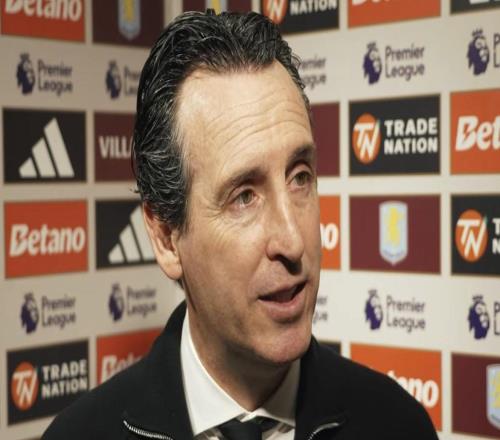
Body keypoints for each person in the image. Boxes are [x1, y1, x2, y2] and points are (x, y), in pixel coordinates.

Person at [42, 10, 439, 440]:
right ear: (166, 238)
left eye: (299, 177)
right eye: (244, 196)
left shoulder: (398, 426)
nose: (293, 240)